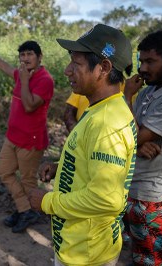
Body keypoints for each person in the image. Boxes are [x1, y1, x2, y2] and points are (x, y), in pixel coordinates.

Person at [28, 24, 136, 265]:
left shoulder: (106, 123)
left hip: (87, 254)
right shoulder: (101, 108)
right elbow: (96, 164)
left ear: (104, 68)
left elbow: (105, 198)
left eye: (76, 64)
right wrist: (63, 165)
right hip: (82, 243)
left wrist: (47, 202)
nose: (67, 71)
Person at [0, 41, 54, 233]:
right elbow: (7, 68)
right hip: (12, 137)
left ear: (40, 57)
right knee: (4, 171)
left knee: (28, 181)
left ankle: (27, 211)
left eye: (30, 54)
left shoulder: (44, 80)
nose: (25, 58)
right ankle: (25, 209)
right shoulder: (23, 74)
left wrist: (23, 80)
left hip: (30, 140)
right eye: (22, 55)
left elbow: (30, 105)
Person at [123, 30, 162, 266]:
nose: (142, 68)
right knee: (143, 253)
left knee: (151, 259)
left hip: (151, 192)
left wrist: (126, 95)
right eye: (141, 61)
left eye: (150, 61)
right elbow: (125, 133)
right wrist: (137, 145)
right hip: (135, 186)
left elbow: (134, 135)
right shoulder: (146, 93)